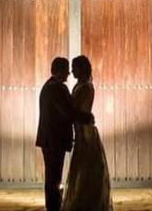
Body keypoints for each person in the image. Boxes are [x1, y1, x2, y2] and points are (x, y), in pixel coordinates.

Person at [36, 57, 94, 211]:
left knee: (52, 177)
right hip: (54, 140)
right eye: (66, 70)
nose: (69, 73)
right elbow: (67, 112)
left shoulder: (50, 85)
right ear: (60, 71)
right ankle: (53, 207)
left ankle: (53, 206)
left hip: (49, 139)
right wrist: (87, 118)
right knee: (54, 178)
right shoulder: (57, 88)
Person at [61, 55, 113, 211]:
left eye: (74, 67)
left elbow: (74, 108)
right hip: (80, 128)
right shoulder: (80, 85)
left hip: (85, 131)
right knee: (83, 168)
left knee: (86, 168)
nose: (71, 71)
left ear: (81, 68)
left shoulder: (85, 87)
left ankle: (87, 201)